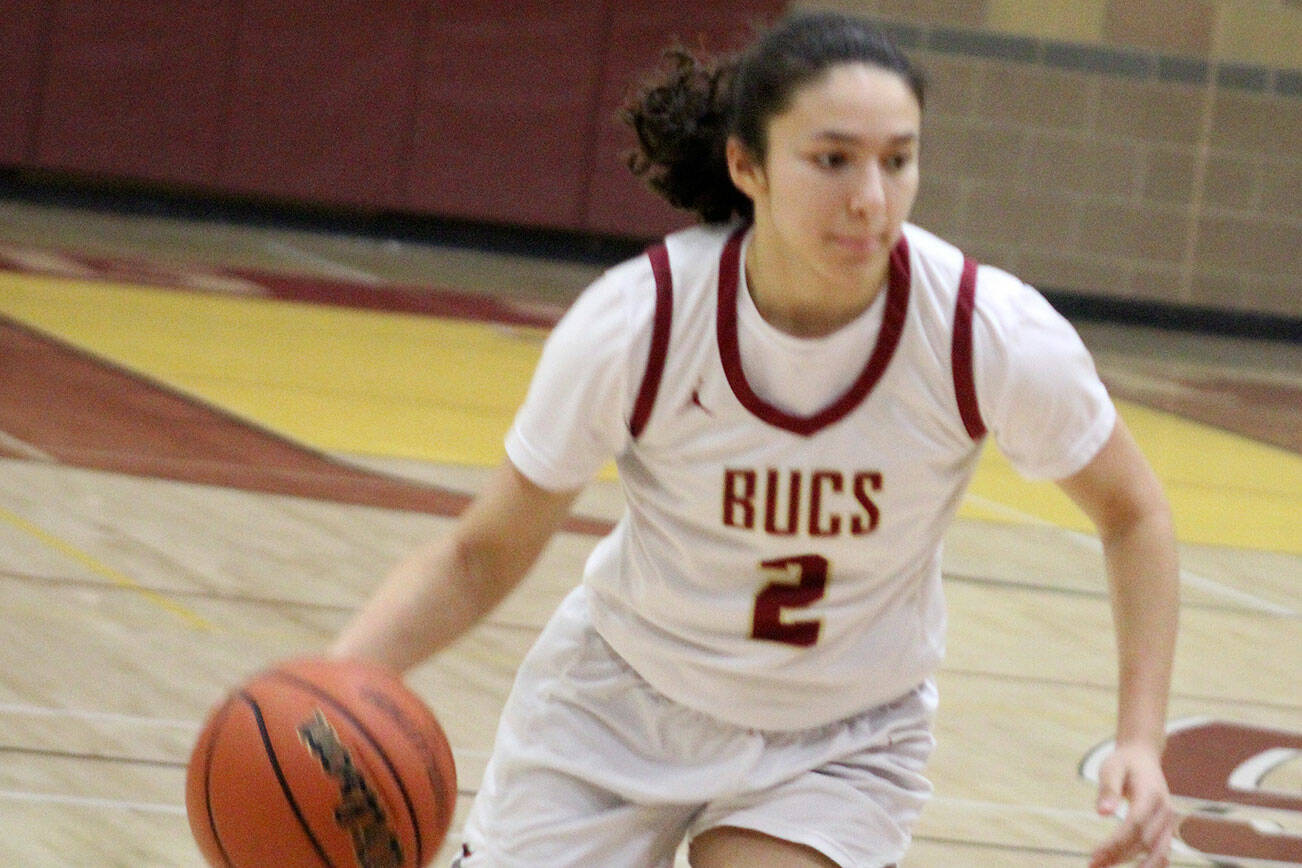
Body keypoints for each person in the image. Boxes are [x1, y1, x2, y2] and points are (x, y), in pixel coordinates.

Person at [330, 11, 1179, 867]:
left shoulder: (983, 333)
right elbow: (479, 554)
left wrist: (1138, 741)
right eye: (832, 159)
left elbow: (1132, 513)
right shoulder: (643, 322)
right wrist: (332, 688)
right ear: (748, 164)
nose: (870, 198)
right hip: (620, 707)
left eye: (898, 159)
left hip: (839, 741)